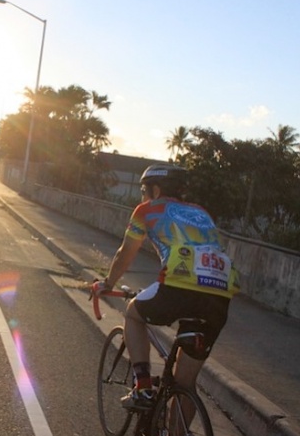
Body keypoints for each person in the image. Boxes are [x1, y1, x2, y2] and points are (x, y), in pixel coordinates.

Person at [94, 163, 239, 411]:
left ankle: (143, 389)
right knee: (186, 384)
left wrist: (107, 283)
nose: (142, 195)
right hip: (219, 294)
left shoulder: (147, 210)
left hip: (178, 285)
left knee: (133, 312)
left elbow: (125, 253)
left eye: (143, 189)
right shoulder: (201, 213)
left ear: (155, 189)